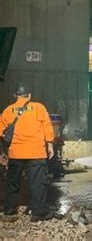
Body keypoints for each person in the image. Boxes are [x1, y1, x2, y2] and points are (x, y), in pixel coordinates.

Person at [0, 83, 55, 221]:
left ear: (15, 96)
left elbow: (1, 132)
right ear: (29, 95)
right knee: (38, 183)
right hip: (36, 152)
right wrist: (50, 145)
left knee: (12, 182)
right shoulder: (38, 108)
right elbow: (47, 127)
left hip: (15, 153)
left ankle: (9, 210)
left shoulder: (8, 110)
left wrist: (2, 153)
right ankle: (37, 213)